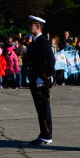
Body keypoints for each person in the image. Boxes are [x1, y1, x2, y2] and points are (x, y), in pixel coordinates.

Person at [24, 16, 56, 145]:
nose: (29, 27)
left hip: (41, 81)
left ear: (37, 27)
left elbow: (51, 61)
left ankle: (47, 135)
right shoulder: (36, 41)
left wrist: (44, 77)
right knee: (40, 109)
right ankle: (43, 133)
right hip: (35, 79)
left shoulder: (42, 41)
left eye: (32, 25)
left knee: (44, 109)